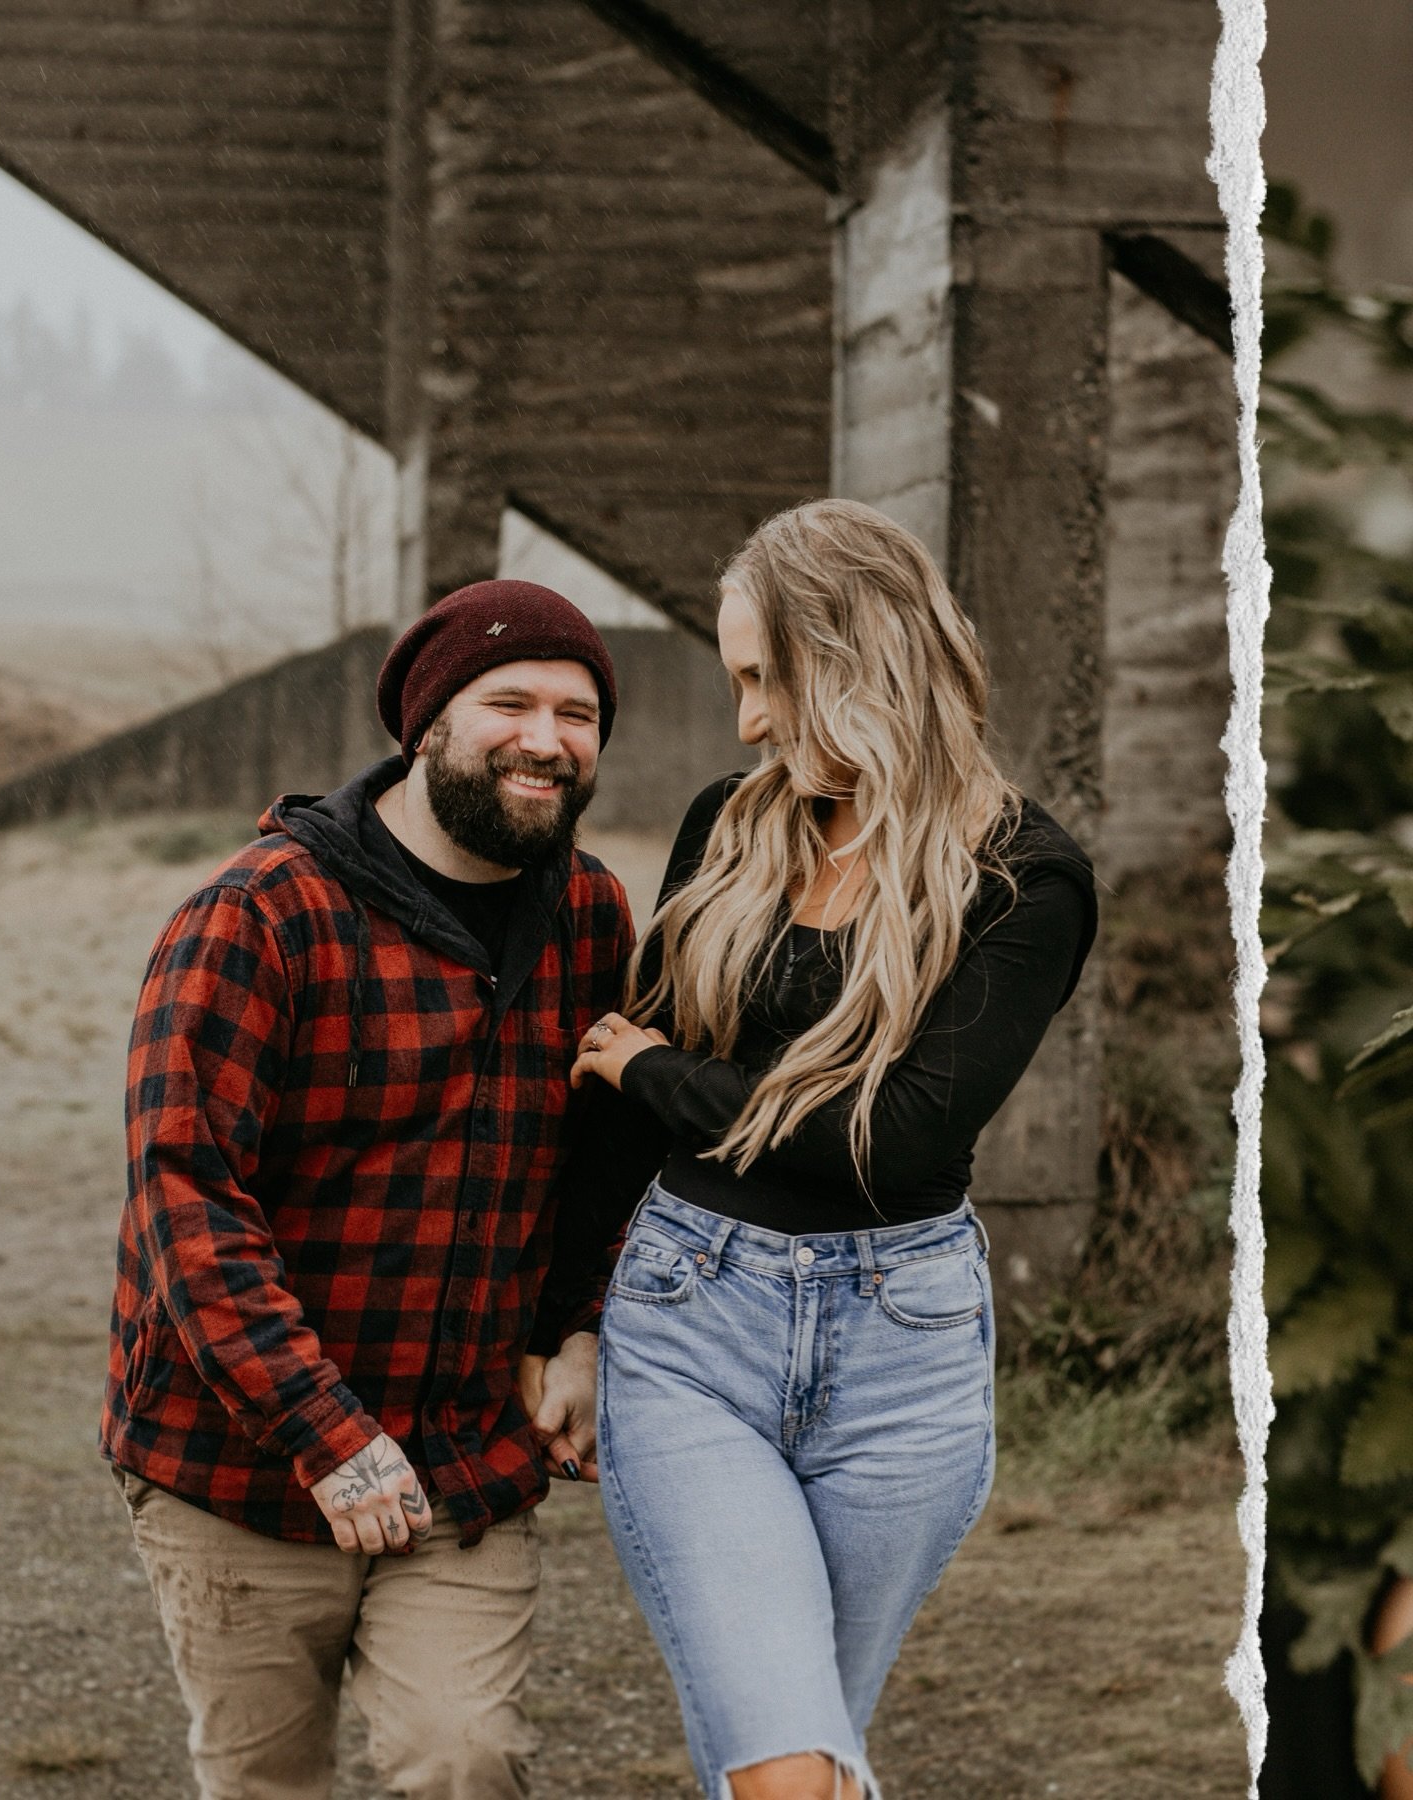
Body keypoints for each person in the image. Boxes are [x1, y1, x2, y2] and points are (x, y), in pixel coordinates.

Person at [565, 499, 1099, 1800]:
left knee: (808, 1744)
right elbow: (608, 1110)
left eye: (762, 678)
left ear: (852, 656)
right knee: (786, 1769)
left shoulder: (1023, 876)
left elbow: (894, 1141)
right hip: (692, 1331)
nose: (745, 719)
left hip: (901, 1363)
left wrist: (662, 1071)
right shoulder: (733, 829)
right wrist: (565, 1324)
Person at [101, 578, 630, 1800]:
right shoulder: (258, 915)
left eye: (580, 713)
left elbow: (603, 1163)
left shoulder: (590, 914)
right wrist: (326, 1434)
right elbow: (185, 1195)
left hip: (460, 1461)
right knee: (266, 1782)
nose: (548, 738)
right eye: (512, 702)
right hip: (240, 1467)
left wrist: (580, 1327)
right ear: (429, 723)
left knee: (465, 1759)